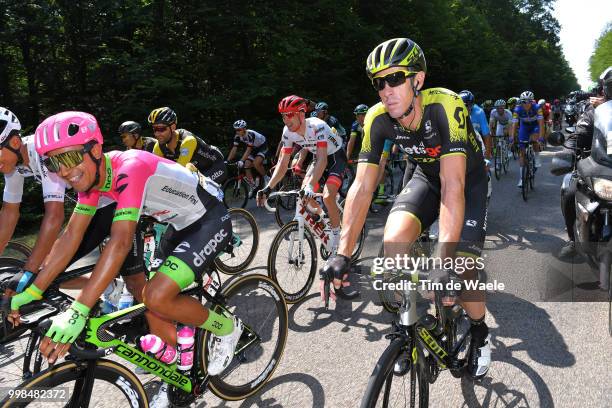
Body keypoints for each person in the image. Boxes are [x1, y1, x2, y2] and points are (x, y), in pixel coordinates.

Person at [8, 111, 242, 407]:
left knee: (156, 295)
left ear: (94, 150)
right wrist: (30, 290)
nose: (64, 172)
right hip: (177, 226)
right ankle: (180, 372)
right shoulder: (92, 182)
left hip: (208, 218)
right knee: (151, 306)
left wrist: (79, 310)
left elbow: (119, 241)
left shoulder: (129, 166)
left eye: (67, 159)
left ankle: (227, 327)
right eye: (54, 163)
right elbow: (70, 236)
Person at [322, 38, 490, 379]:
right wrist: (343, 251)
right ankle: (414, 324)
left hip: (465, 182)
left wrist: (444, 261)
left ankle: (479, 331)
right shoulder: (377, 118)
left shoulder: (445, 106)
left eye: (395, 78)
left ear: (418, 80)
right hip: (426, 179)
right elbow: (363, 186)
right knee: (393, 243)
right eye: (378, 82)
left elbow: (453, 186)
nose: (386, 90)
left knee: (462, 266)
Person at [257, 95, 347, 254]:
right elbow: (283, 163)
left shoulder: (318, 126)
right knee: (304, 194)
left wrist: (312, 185)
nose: (286, 120)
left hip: (335, 158)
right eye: (283, 115)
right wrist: (268, 188)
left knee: (327, 196)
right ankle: (325, 217)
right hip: (318, 158)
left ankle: (337, 240)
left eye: (289, 114)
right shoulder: (287, 132)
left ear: (301, 113)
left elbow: (323, 160)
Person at [0, 107, 68, 294]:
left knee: (47, 266)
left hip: (105, 200)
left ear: (14, 142)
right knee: (49, 269)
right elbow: (9, 212)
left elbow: (54, 216)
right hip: (84, 203)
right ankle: (109, 292)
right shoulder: (13, 164)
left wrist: (28, 270)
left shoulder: (43, 151)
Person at [559, 66, 611, 258]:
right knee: (569, 189)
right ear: (605, 89)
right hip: (600, 167)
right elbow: (579, 134)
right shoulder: (593, 110)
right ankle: (574, 239)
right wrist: (567, 151)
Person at [149, 107, 227, 185]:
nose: (157, 133)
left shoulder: (188, 141)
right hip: (197, 171)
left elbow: (179, 171)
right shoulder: (159, 146)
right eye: (155, 129)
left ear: (172, 127)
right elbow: (153, 169)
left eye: (161, 129)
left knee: (199, 188)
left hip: (215, 166)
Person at [510, 91, 544, 187]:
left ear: (532, 101)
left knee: (534, 139)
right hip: (524, 127)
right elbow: (514, 124)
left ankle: (537, 157)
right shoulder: (517, 109)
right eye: (524, 102)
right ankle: (521, 179)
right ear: (521, 102)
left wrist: (541, 138)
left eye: (529, 101)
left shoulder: (537, 108)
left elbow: (541, 124)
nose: (526, 104)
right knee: (522, 152)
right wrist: (512, 138)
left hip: (535, 126)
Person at [227, 119, 269, 192]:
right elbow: (234, 149)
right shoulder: (237, 136)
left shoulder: (250, 134)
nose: (237, 132)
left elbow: (248, 150)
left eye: (239, 130)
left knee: (256, 163)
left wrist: (241, 160)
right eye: (236, 130)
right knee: (246, 164)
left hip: (262, 146)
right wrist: (227, 160)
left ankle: (266, 178)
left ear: (244, 129)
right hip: (253, 148)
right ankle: (252, 186)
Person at [460, 90, 491, 160]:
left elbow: (487, 136)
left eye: (469, 105)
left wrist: (487, 159)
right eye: (463, 105)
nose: (466, 108)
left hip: (478, 135)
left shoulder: (479, 112)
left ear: (473, 104)